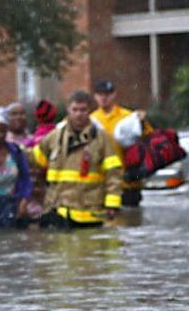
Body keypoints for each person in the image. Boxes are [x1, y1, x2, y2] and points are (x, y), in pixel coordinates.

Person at [33, 89, 123, 228]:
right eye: (75, 109)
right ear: (68, 110)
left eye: (83, 110)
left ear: (90, 111)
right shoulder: (54, 137)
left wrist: (112, 205)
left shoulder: (102, 139)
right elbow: (34, 160)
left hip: (89, 214)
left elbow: (114, 174)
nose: (79, 114)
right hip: (57, 211)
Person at [90, 79, 150, 207]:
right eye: (100, 94)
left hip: (128, 183)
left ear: (114, 95)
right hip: (103, 185)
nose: (104, 98)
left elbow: (147, 138)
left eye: (107, 94)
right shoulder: (91, 119)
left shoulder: (128, 116)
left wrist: (142, 122)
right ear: (95, 97)